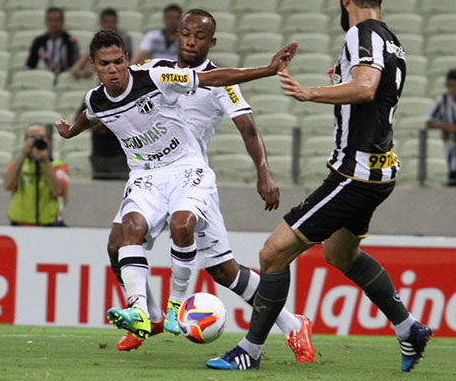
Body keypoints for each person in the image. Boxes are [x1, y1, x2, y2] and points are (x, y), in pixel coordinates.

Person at [206, 0, 431, 373]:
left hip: (354, 173)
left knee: (273, 254)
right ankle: (409, 328)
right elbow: (372, 87)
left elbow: (366, 88)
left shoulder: (360, 34)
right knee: (341, 254)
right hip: (380, 169)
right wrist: (342, 75)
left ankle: (249, 352)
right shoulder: (391, 40)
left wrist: (311, 93)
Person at [55, 28, 298, 342]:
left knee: (202, 246)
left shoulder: (156, 76)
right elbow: (91, 115)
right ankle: (142, 313)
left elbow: (210, 79)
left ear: (127, 59)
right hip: (146, 177)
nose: (113, 69)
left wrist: (267, 70)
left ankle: (176, 304)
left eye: (118, 61)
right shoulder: (96, 99)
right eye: (105, 64)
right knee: (127, 233)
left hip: (186, 170)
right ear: (93, 65)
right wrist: (70, 131)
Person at [101, 9, 313, 362]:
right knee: (116, 244)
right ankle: (150, 317)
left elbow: (248, 128)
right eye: (185, 33)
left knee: (223, 271)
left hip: (190, 179)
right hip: (152, 177)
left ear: (211, 42)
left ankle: (292, 324)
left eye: (199, 36)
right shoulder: (156, 70)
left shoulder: (221, 81)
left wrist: (264, 172)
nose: (190, 41)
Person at [4, 123, 69, 226]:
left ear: (48, 141)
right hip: (20, 224)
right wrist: (24, 154)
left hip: (49, 224)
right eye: (32, 137)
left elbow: (58, 191)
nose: (36, 140)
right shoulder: (17, 165)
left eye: (41, 137)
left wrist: (45, 161)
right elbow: (8, 185)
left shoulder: (58, 166)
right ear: (25, 141)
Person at [70, 8, 133, 79]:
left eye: (113, 22)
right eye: (107, 22)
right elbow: (90, 52)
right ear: (101, 23)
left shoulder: (124, 37)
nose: (110, 25)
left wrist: (93, 69)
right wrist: (77, 66)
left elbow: (116, 58)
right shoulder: (99, 37)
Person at [25, 7, 80, 77]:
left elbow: (73, 65)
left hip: (66, 77)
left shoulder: (70, 41)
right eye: (50, 20)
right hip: (46, 78)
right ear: (46, 22)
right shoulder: (39, 41)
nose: (53, 23)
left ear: (62, 22)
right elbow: (30, 65)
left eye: (57, 20)